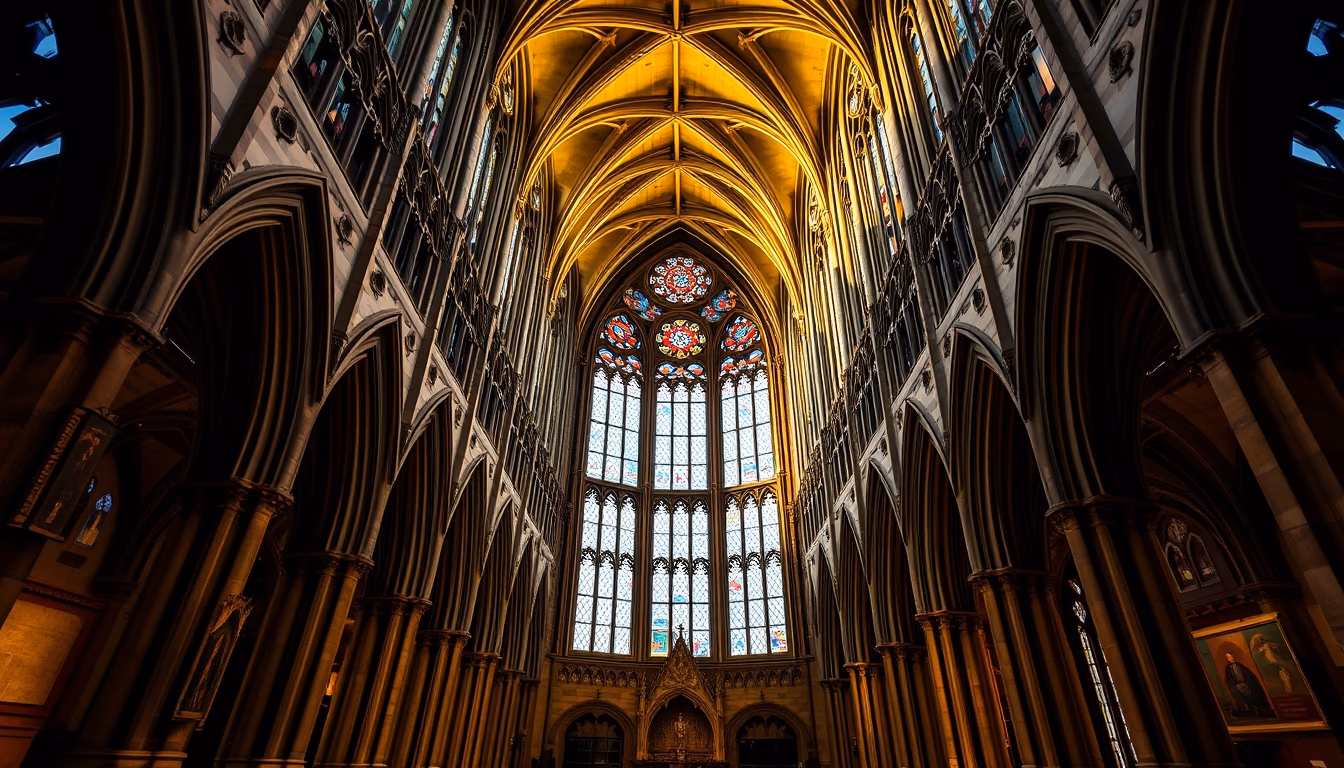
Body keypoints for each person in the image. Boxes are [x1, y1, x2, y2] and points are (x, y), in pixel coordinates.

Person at [1223, 652, 1275, 717]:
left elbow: (1248, 674)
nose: (1231, 658)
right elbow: (1228, 678)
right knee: (1242, 698)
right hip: (1237, 685)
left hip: (1245, 684)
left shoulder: (1240, 665)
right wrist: (1234, 684)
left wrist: (1247, 682)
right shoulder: (1228, 668)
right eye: (1228, 657)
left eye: (1231, 656)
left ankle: (1257, 709)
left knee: (1251, 696)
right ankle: (1249, 710)